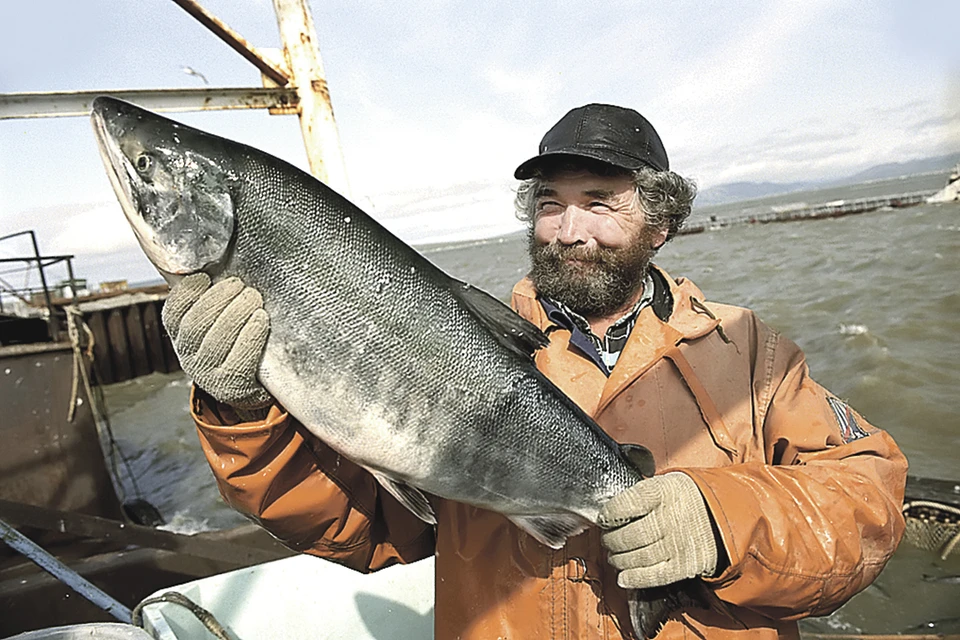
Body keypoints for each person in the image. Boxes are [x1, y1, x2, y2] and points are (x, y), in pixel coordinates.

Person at [165, 103, 907, 639]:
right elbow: (361, 529)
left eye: (600, 204)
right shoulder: (447, 347)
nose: (569, 229)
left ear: (660, 225)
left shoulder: (752, 353)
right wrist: (243, 410)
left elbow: (867, 498)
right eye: (550, 204)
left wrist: (722, 521)